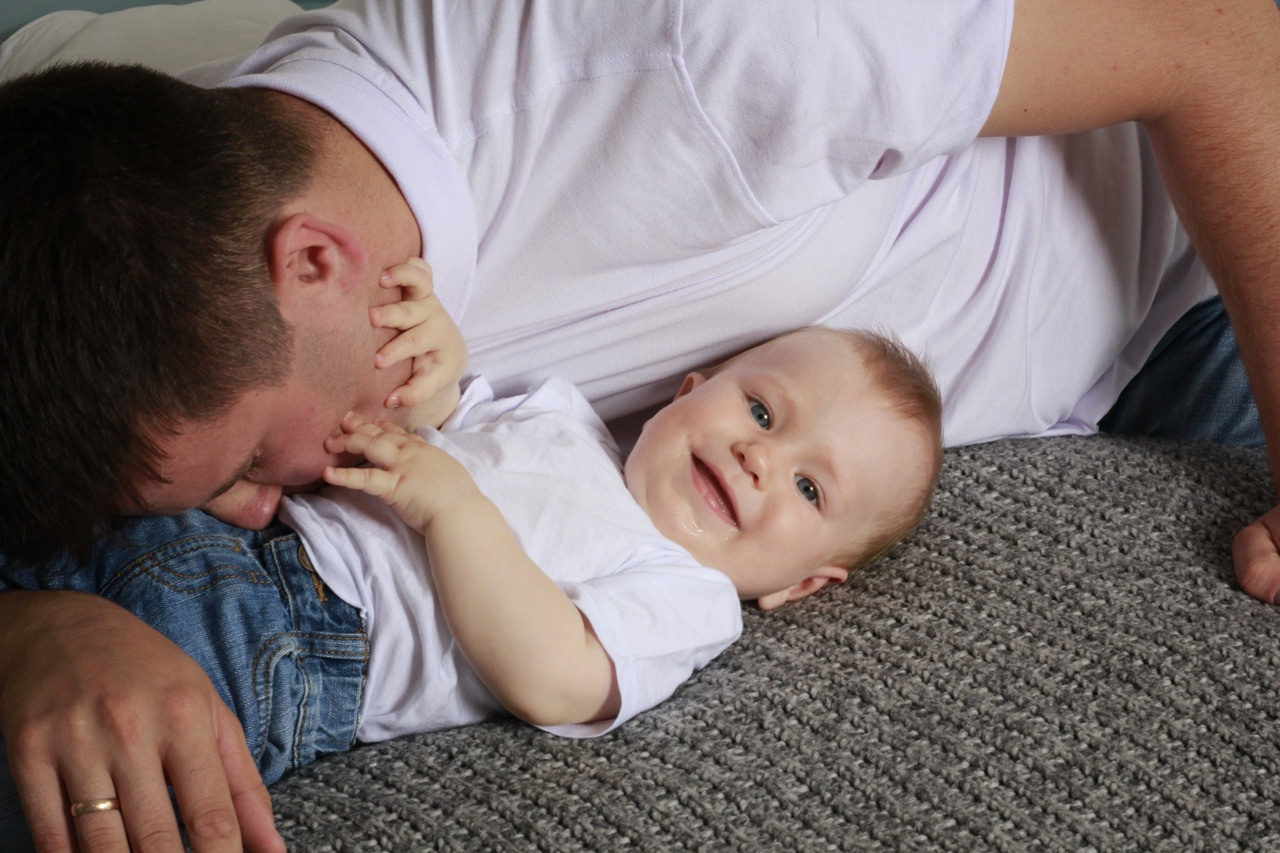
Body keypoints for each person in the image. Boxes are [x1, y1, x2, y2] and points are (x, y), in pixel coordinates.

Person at [2, 0, 1280, 850]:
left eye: (243, 462)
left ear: (316, 264)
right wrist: (32, 627)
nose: (252, 504)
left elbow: (1215, 35)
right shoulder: (144, 233)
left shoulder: (733, 41)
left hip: (1196, 270)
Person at [2, 271, 943, 805]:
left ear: (803, 584)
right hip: (237, 515)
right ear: (690, 391)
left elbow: (557, 675)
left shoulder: (689, 596)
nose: (758, 458)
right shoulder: (562, 414)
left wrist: (453, 510)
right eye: (762, 410)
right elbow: (441, 419)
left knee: (69, 765)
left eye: (810, 487)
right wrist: (436, 366)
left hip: (293, 639)